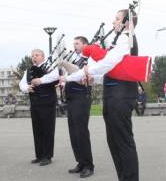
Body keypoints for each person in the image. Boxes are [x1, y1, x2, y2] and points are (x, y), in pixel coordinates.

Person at [63, 9, 140, 181]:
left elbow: (108, 62)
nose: (113, 22)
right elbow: (110, 70)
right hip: (113, 95)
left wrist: (82, 72)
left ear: (127, 22)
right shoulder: (120, 40)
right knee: (114, 143)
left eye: (117, 18)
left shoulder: (126, 38)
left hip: (120, 96)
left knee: (123, 142)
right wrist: (92, 77)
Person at [31, 36, 95, 178]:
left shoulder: (89, 59)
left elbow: (84, 76)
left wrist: (66, 69)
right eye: (74, 43)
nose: (74, 46)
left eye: (77, 43)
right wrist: (63, 83)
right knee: (74, 133)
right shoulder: (76, 59)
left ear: (85, 45)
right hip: (71, 99)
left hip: (81, 98)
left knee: (81, 133)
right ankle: (81, 162)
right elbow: (66, 76)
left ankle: (89, 165)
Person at [19, 49, 58, 166]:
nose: (33, 57)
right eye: (32, 55)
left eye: (36, 55)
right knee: (37, 130)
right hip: (35, 102)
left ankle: (47, 156)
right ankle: (39, 155)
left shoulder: (50, 66)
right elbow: (22, 83)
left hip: (47, 103)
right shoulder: (29, 70)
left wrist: (40, 80)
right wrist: (27, 88)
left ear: (43, 57)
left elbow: (55, 76)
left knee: (47, 130)